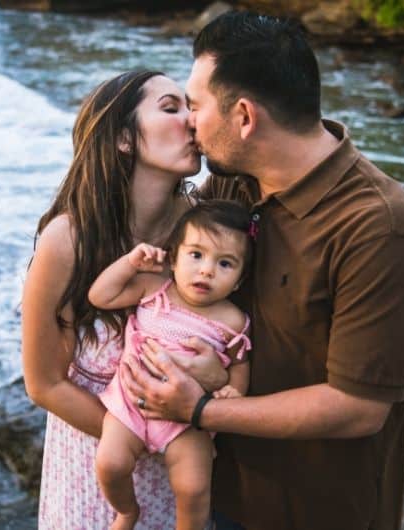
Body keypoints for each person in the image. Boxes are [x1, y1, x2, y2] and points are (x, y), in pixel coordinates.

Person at [121, 11, 404, 530]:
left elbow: (358, 407)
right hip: (219, 488)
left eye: (196, 107)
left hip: (314, 510)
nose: (189, 124)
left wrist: (199, 409)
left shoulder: (379, 229)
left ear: (244, 117)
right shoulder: (233, 185)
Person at [21, 70, 227, 529]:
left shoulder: (203, 235)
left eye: (189, 107)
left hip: (184, 471)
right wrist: (145, 435)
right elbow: (44, 384)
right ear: (123, 140)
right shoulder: (68, 241)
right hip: (99, 472)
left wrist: (215, 381)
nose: (192, 121)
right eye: (171, 108)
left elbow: (229, 333)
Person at [90, 200, 253, 530]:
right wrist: (129, 263)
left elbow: (240, 363)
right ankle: (126, 512)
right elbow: (101, 296)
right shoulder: (155, 289)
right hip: (131, 403)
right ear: (173, 258)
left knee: (193, 488)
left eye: (225, 263)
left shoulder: (233, 320)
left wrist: (234, 391)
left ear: (238, 281)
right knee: (109, 464)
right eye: (196, 255)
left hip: (188, 417)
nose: (206, 270)